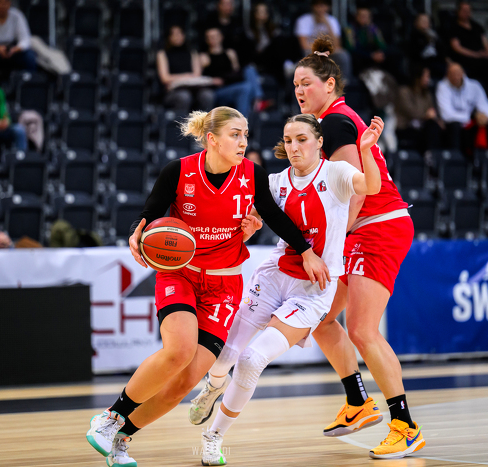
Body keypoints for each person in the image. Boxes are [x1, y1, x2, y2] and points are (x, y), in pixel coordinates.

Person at [85, 106, 330, 467]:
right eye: (235, 134)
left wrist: (306, 251)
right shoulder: (179, 171)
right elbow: (151, 212)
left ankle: (122, 438)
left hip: (224, 284)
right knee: (179, 351)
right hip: (181, 273)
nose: (243, 142)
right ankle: (110, 417)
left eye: (245, 134)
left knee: (186, 381)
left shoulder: (252, 174)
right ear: (212, 139)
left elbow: (275, 217)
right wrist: (138, 232)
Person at [194, 113, 383, 465]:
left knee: (251, 360)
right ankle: (213, 386)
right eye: (289, 140)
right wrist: (249, 225)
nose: (294, 147)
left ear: (319, 142)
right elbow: (249, 216)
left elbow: (371, 187)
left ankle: (213, 436)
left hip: (313, 289)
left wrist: (367, 150)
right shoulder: (275, 181)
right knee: (226, 353)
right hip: (274, 276)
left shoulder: (336, 173)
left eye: (302, 139)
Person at [296, 36, 422, 459]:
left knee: (363, 330)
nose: (299, 91)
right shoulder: (329, 120)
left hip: (377, 226)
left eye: (307, 83)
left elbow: (357, 191)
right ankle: (358, 401)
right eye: (295, 85)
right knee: (320, 319)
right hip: (362, 230)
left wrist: (332, 243)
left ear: (329, 84)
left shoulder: (334, 122)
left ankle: (405, 427)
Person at [436, 62, 488, 156]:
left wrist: (485, 116)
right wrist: (470, 117)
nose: (455, 77)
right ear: (447, 75)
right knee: (454, 126)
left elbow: (486, 107)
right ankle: (456, 158)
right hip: (453, 124)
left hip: (470, 124)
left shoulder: (474, 86)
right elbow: (446, 115)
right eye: (452, 74)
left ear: (463, 73)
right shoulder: (442, 86)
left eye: (457, 74)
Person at [201, 28, 264, 116]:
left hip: (231, 84)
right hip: (218, 90)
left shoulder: (230, 53)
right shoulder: (204, 57)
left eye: (215, 36)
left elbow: (236, 73)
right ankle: (248, 114)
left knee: (250, 70)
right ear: (206, 40)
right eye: (210, 37)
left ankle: (257, 100)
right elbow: (200, 77)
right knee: (245, 88)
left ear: (221, 37)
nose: (213, 39)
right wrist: (212, 80)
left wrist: (226, 78)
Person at [156, 25, 215, 114]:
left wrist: (184, 78)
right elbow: (165, 78)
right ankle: (181, 122)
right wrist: (186, 76)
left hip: (193, 88)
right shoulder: (162, 54)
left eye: (180, 34)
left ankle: (205, 122)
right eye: (174, 34)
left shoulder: (192, 53)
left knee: (207, 95)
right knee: (184, 96)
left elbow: (197, 74)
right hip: (173, 91)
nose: (178, 37)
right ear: (169, 37)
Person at [448, 0, 488, 91]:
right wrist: (476, 55)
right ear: (458, 11)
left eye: (468, 10)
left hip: (481, 56)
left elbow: (485, 43)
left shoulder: (477, 26)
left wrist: (487, 53)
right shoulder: (453, 27)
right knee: (484, 66)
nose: (467, 13)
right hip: (465, 58)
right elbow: (456, 47)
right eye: (464, 10)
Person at [295, 0, 352, 82]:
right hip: (311, 51)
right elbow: (304, 45)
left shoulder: (332, 21)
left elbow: (337, 45)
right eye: (317, 5)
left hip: (329, 52)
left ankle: (343, 82)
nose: (320, 9)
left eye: (323, 5)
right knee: (310, 55)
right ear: (313, 7)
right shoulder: (303, 20)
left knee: (342, 55)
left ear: (328, 7)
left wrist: (327, 24)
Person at [343, 7, 401, 80]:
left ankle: (396, 81)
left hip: (372, 54)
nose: (364, 19)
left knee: (394, 53)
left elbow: (382, 45)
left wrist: (380, 53)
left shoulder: (372, 28)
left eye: (367, 16)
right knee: (354, 57)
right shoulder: (350, 29)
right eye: (362, 16)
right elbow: (351, 49)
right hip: (360, 55)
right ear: (356, 17)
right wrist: (371, 55)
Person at [395, 65, 444, 152]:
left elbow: (432, 111)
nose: (428, 79)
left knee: (434, 126)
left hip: (422, 127)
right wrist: (426, 115)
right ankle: (430, 154)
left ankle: (434, 155)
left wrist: (435, 118)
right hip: (406, 127)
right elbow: (411, 112)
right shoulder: (404, 92)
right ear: (417, 77)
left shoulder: (427, 94)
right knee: (430, 129)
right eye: (426, 76)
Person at [409, 13, 446, 80]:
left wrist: (436, 39)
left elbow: (442, 50)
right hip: (422, 62)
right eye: (423, 21)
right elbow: (415, 54)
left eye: (427, 21)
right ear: (416, 23)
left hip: (436, 61)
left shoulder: (434, 34)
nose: (425, 23)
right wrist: (426, 40)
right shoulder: (414, 36)